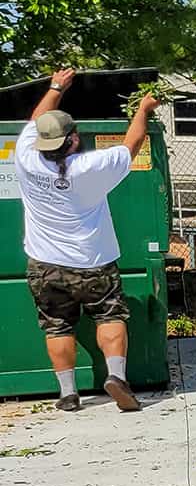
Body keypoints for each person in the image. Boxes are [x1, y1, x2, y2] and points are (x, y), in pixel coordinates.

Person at [14, 68, 156, 413]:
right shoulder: (91, 167)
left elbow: (37, 119)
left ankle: (67, 393)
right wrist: (144, 109)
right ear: (74, 140)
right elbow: (132, 144)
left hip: (44, 264)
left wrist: (56, 86)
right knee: (109, 317)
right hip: (93, 261)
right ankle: (117, 378)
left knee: (57, 325)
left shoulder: (26, 157)